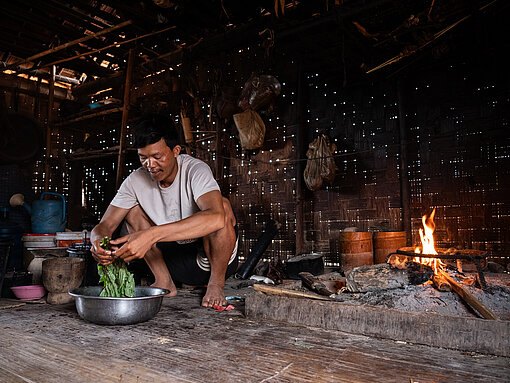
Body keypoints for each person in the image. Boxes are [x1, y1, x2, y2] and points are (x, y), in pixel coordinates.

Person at [90, 114, 239, 307]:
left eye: (156, 157)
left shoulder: (195, 170)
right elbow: (105, 225)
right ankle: (164, 282)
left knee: (222, 207)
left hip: (211, 262)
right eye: (143, 157)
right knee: (132, 211)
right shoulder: (135, 180)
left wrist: (151, 235)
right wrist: (97, 243)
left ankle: (216, 285)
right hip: (172, 262)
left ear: (176, 151)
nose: (149, 165)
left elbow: (217, 218)